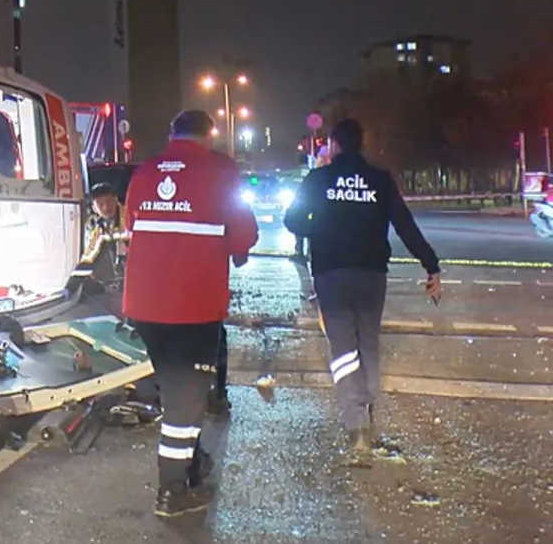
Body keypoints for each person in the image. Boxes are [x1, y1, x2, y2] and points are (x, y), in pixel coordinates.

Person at [123, 109, 258, 517]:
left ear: (172, 133)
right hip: (193, 305)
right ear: (209, 135)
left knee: (177, 391)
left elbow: (133, 225)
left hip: (145, 307)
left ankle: (192, 465)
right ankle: (172, 492)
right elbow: (244, 234)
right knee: (184, 400)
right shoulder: (220, 172)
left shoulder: (144, 172)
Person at [284, 119, 440, 465]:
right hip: (372, 274)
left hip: (331, 272)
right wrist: (431, 264)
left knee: (342, 349)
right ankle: (368, 414)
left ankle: (356, 431)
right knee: (368, 343)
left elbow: (292, 221)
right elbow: (405, 225)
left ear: (335, 146)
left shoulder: (319, 179)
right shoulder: (380, 180)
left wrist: (323, 226)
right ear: (361, 144)